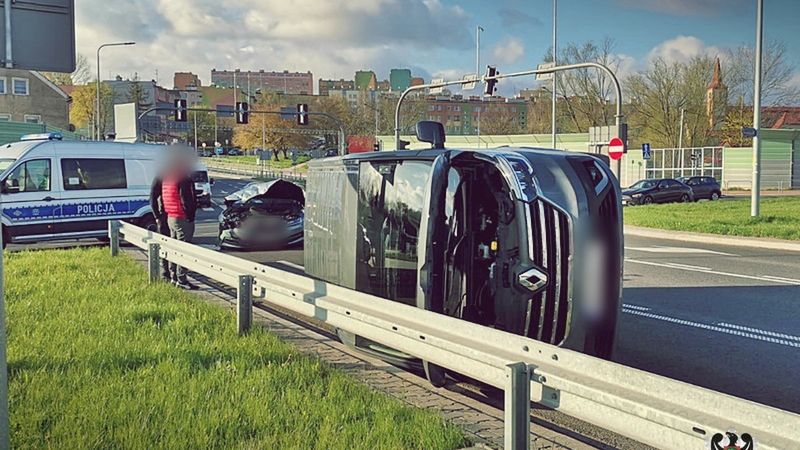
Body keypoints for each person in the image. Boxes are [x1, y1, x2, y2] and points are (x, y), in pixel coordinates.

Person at [161, 150, 198, 289]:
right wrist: (190, 216)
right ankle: (182, 279)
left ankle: (174, 276)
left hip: (171, 216)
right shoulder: (184, 179)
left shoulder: (168, 178)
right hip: (182, 218)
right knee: (184, 249)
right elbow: (187, 200)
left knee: (174, 247)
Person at [149, 173, 171, 281]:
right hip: (165, 217)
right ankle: (166, 272)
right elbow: (153, 197)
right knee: (165, 245)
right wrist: (157, 216)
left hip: (174, 216)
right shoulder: (161, 177)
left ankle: (175, 273)